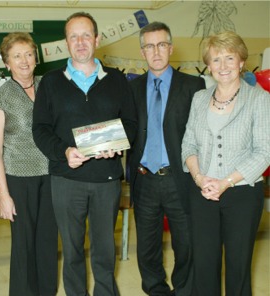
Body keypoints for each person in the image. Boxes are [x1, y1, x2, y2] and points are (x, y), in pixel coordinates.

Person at [32, 12, 136, 296]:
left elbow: (131, 123)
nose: (80, 42)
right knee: (72, 250)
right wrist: (63, 151)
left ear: (97, 39)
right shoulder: (51, 82)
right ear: (66, 42)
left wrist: (119, 143)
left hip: (107, 179)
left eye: (86, 35)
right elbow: (40, 129)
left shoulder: (116, 80)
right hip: (66, 180)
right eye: (73, 36)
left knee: (104, 251)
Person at [181, 31, 270, 296]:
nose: (223, 66)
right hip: (203, 193)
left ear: (242, 61)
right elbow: (188, 145)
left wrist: (225, 182)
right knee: (204, 266)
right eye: (216, 59)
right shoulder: (199, 99)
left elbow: (264, 151)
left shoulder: (260, 99)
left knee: (238, 267)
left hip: (242, 193)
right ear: (208, 65)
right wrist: (200, 178)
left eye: (229, 58)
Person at [127, 22, 205, 296]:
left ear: (171, 48)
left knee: (186, 245)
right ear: (142, 52)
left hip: (180, 178)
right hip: (144, 179)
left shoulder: (195, 86)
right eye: (149, 46)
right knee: (147, 249)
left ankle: (184, 290)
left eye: (161, 44)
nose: (156, 51)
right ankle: (156, 291)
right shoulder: (132, 89)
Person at [0, 32, 58, 296]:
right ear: (6, 62)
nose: (24, 60)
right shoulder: (0, 97)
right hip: (18, 177)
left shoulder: (50, 86)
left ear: (36, 57)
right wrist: (4, 194)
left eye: (28, 53)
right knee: (24, 243)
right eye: (16, 56)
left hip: (51, 175)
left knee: (48, 241)